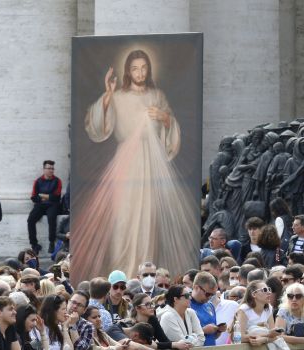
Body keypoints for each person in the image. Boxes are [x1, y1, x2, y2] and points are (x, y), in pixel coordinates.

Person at [72, 49, 199, 281]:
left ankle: (144, 272)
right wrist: (108, 95)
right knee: (123, 217)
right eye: (134, 68)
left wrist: (164, 118)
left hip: (151, 161)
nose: (140, 72)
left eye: (143, 67)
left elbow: (171, 126)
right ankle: (120, 273)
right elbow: (98, 127)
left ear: (149, 69)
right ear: (127, 71)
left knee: (148, 219)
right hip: (125, 162)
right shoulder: (118, 96)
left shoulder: (157, 95)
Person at [27, 160, 62, 253]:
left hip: (53, 205)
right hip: (40, 205)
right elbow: (34, 197)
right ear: (44, 169)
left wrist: (42, 195)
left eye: (52, 168)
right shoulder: (37, 181)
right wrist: (47, 197)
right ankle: (34, 244)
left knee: (51, 218)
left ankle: (51, 242)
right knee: (30, 220)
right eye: (49, 168)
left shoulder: (57, 181)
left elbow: (57, 196)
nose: (51, 170)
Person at [234, 280, 282, 346]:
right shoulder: (244, 309)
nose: (269, 292)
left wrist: (264, 340)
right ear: (254, 294)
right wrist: (267, 335)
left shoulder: (269, 308)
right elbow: (240, 337)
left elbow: (274, 337)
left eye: (269, 289)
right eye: (264, 290)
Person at [188, 272, 222, 346]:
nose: (209, 297)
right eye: (207, 294)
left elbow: (213, 337)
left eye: (212, 295)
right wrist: (203, 331)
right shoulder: (185, 305)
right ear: (196, 288)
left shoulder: (210, 306)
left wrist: (218, 331)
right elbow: (182, 336)